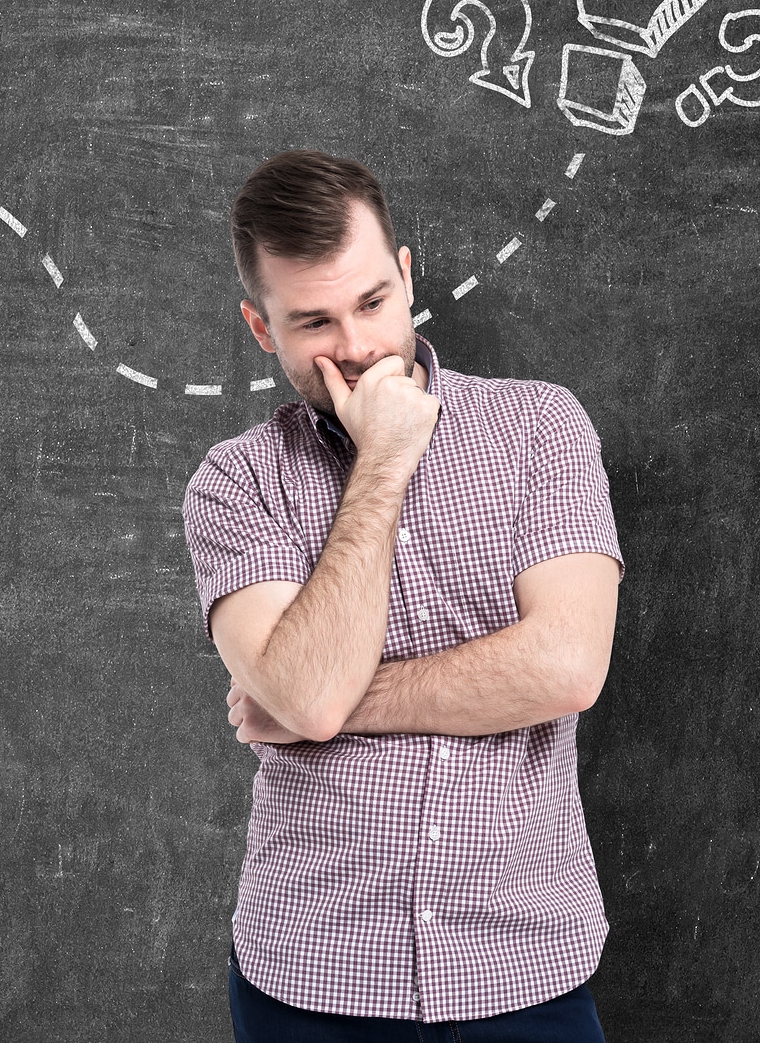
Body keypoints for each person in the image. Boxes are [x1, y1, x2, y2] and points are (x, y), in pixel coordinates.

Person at [183, 149, 624, 1041]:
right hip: (312, 976)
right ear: (261, 327)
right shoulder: (233, 484)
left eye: (374, 301)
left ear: (407, 275)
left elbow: (568, 665)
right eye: (313, 321)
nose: (356, 345)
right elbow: (306, 692)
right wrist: (381, 460)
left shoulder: (541, 426)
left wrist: (343, 702)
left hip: (524, 964)